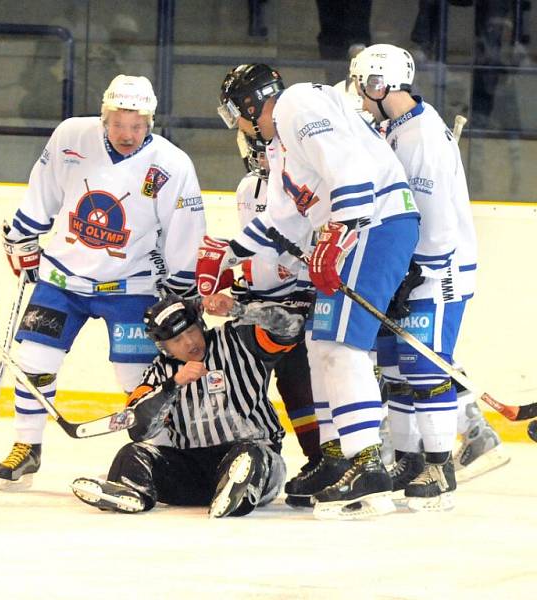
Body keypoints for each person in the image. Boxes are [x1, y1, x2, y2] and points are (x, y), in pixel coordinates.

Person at [200, 63, 420, 520]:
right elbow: (284, 217)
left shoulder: (297, 103)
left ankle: (367, 466)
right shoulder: (282, 142)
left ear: (249, 103)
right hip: (361, 226)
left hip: (375, 223)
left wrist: (340, 229)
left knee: (340, 345)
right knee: (321, 344)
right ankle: (336, 454)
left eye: (235, 112)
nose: (237, 124)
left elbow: (351, 167)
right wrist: (229, 252)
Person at [0, 74, 206, 489]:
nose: (128, 135)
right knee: (35, 359)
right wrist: (23, 234)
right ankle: (27, 447)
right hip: (62, 278)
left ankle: (158, 453)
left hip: (132, 286)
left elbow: (186, 229)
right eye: (119, 125)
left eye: (137, 126)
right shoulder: (71, 136)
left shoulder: (172, 164)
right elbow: (43, 192)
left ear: (150, 121)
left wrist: (183, 286)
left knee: (135, 376)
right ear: (104, 118)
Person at [349, 44, 507, 508]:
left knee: (424, 369)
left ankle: (439, 467)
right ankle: (410, 459)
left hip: (439, 273)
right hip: (409, 271)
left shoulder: (421, 137)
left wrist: (411, 274)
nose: (360, 94)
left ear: (380, 85)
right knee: (397, 371)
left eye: (364, 85)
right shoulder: (398, 129)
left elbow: (436, 224)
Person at [71, 293, 290, 518]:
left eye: (191, 331)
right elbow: (138, 429)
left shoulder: (238, 339)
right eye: (177, 340)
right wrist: (172, 385)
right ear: (164, 347)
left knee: (249, 456)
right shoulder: (158, 373)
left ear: (200, 324)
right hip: (193, 469)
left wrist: (240, 310)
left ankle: (238, 494)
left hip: (259, 458)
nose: (189, 342)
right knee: (133, 453)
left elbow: (292, 327)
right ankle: (132, 491)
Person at [217, 129, 322, 506]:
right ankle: (234, 457)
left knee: (299, 385)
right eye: (259, 153)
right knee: (239, 382)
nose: (264, 160)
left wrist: (293, 271)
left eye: (270, 153)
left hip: (297, 302)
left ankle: (320, 460)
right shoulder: (247, 188)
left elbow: (308, 244)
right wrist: (234, 271)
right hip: (257, 304)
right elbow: (251, 242)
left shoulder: (304, 185)